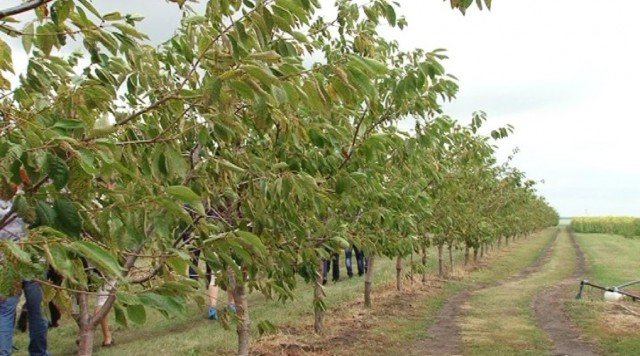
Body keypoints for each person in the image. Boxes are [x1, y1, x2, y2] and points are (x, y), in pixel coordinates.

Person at [0, 185, 49, 356]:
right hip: (32, 260)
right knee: (37, 311)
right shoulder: (26, 198)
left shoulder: (23, 198)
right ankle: (39, 353)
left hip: (7, 262)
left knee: (5, 312)